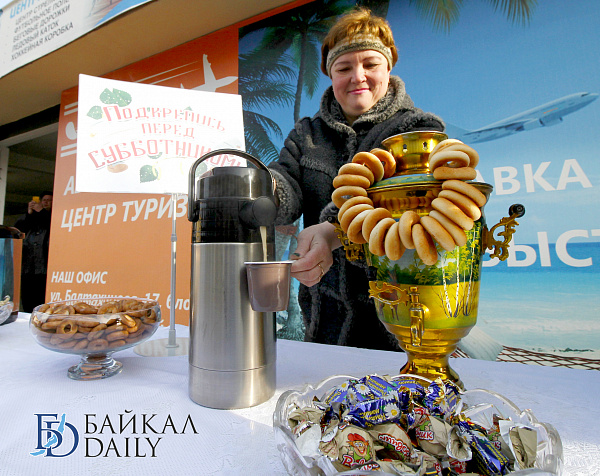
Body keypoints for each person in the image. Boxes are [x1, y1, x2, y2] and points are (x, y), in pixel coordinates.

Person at [269, 8, 444, 350]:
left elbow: (408, 205)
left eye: (370, 64)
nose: (358, 76)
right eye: (344, 67)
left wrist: (333, 230)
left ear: (388, 68)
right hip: (325, 319)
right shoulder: (306, 134)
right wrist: (264, 187)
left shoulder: (419, 129)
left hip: (400, 314)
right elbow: (287, 185)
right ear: (330, 74)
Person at [14, 192, 53, 312]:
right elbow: (18, 230)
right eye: (43, 200)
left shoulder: (53, 216)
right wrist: (29, 213)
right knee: (27, 299)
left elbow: (50, 224)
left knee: (40, 300)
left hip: (44, 268)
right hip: (28, 267)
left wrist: (41, 211)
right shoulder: (31, 218)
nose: (45, 202)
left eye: (49, 200)